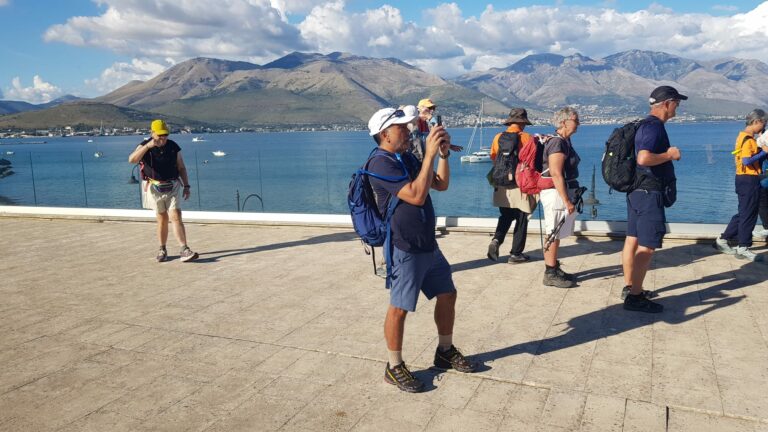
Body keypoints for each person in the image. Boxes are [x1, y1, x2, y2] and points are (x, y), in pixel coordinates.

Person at [366, 107, 476, 393]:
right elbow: (415, 196)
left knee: (447, 294)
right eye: (402, 127)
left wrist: (443, 155)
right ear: (385, 134)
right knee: (400, 308)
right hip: (405, 245)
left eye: (408, 126)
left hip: (427, 242)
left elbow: (441, 184)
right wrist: (428, 155)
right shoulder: (380, 163)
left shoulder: (406, 157)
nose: (408, 131)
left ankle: (444, 351)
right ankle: (394, 366)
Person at [622, 86, 685, 313]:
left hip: (637, 192)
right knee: (647, 246)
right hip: (649, 194)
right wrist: (670, 155)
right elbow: (643, 158)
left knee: (632, 239)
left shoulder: (643, 125)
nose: (678, 107)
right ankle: (635, 297)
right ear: (667, 103)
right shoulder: (654, 127)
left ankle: (630, 287)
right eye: (677, 103)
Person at [128, 119, 198, 263]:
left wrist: (187, 186)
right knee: (162, 219)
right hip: (154, 187)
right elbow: (132, 160)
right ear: (152, 133)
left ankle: (184, 249)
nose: (163, 138)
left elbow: (181, 167)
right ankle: (162, 249)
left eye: (165, 134)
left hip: (173, 185)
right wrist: (147, 146)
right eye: (159, 135)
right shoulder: (144, 146)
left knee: (176, 216)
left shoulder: (173, 146)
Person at [714, 109, 768, 261]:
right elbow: (746, 160)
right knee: (748, 214)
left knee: (744, 212)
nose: (764, 127)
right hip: (748, 179)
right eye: (763, 123)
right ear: (756, 121)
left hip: (743, 179)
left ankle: (723, 240)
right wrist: (764, 152)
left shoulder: (742, 136)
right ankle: (743, 247)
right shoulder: (748, 140)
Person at [487, 108, 537, 264]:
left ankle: (496, 240)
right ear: (523, 123)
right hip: (519, 183)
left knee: (506, 215)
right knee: (522, 218)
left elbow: (493, 158)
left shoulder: (498, 137)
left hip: (501, 183)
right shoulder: (527, 138)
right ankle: (516, 254)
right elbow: (532, 161)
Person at [540, 107, 581, 288]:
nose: (579, 124)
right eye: (576, 120)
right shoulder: (557, 143)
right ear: (564, 122)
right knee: (553, 232)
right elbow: (556, 173)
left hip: (560, 192)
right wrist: (566, 201)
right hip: (556, 194)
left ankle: (554, 268)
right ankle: (550, 273)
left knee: (556, 232)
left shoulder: (565, 141)